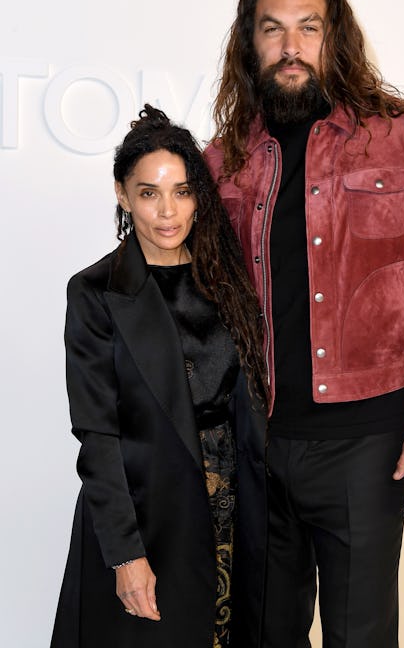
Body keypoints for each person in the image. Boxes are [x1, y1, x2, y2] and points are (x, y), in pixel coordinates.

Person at [205, 0, 404, 648]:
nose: (291, 46)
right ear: (251, 43)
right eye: (273, 30)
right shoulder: (226, 157)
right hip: (259, 440)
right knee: (264, 633)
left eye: (308, 28)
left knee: (362, 634)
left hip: (368, 440)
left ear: (336, 39)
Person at [50, 105, 267, 648]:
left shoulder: (231, 280)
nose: (168, 211)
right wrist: (125, 553)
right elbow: (97, 435)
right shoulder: (96, 292)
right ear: (123, 195)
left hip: (237, 517)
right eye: (148, 193)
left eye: (182, 191)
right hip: (148, 522)